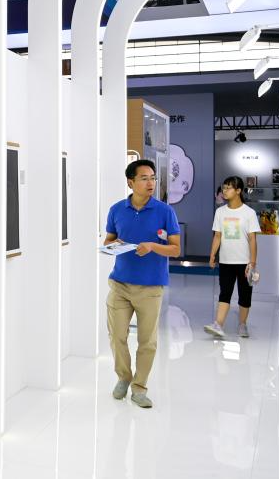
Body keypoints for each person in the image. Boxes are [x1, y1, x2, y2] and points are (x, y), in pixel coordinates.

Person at [103, 159, 181, 409]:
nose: (151, 183)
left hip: (150, 287)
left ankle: (139, 387)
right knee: (117, 336)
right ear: (130, 182)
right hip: (119, 284)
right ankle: (124, 377)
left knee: (147, 341)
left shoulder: (165, 212)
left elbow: (176, 249)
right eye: (144, 178)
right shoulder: (117, 210)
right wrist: (113, 245)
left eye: (153, 178)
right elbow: (108, 241)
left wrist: (153, 246)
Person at [204, 176, 260, 338]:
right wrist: (212, 255)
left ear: (238, 191)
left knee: (245, 294)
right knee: (225, 292)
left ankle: (242, 324)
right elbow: (217, 236)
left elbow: (252, 239)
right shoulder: (220, 212)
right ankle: (218, 324)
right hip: (226, 261)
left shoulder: (249, 213)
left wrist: (252, 262)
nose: (224, 190)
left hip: (244, 262)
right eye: (224, 187)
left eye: (228, 188)